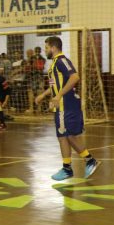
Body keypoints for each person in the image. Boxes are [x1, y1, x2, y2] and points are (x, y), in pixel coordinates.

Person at [35, 36, 100, 181]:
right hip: (61, 106)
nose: (45, 51)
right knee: (63, 137)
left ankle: (89, 161)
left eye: (46, 48)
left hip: (67, 104)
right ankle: (67, 168)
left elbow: (75, 77)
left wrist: (58, 96)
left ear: (53, 47)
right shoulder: (53, 65)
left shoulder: (61, 61)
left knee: (68, 136)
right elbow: (54, 86)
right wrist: (43, 95)